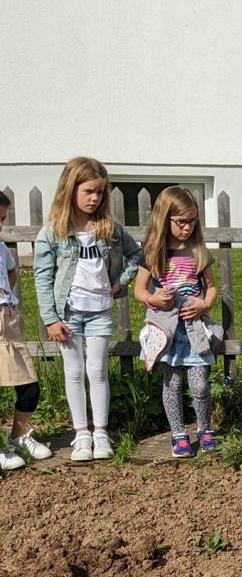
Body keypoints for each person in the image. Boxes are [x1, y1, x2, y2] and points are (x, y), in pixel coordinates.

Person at [33, 157, 141, 462]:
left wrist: (119, 282)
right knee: (74, 371)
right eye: (88, 191)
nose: (94, 198)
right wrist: (50, 319)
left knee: (97, 370)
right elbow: (42, 278)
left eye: (100, 192)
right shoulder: (52, 232)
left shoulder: (110, 229)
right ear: (70, 189)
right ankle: (81, 434)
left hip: (99, 311)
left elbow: (136, 255)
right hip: (68, 313)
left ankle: (101, 433)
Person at [135, 187, 219, 458]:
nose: (187, 227)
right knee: (171, 384)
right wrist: (153, 299)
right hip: (168, 330)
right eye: (181, 221)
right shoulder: (153, 252)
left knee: (200, 385)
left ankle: (205, 428)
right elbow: (139, 290)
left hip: (194, 330)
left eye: (192, 221)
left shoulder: (198, 252)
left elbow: (212, 287)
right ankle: (179, 434)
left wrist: (205, 304)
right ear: (165, 219)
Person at [0, 191, 53, 470]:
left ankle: (18, 435)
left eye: (2, 219)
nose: (0, 225)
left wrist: (6, 293)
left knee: (29, 386)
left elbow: (12, 270)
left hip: (8, 322)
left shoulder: (1, 248)